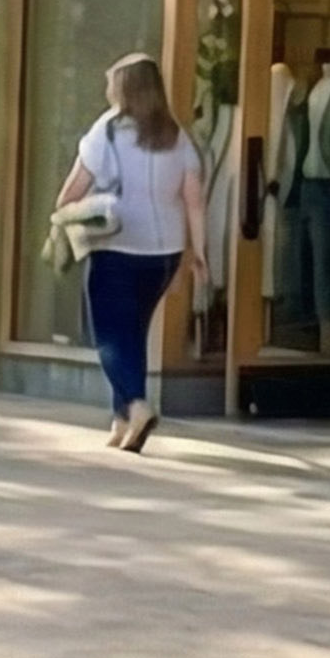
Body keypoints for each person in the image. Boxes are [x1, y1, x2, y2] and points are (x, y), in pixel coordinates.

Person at [57, 52, 208, 449]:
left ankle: (137, 406)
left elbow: (72, 191)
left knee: (108, 334)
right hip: (165, 254)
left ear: (122, 88)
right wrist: (199, 253)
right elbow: (194, 201)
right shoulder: (177, 136)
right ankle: (122, 420)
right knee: (133, 332)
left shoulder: (106, 131)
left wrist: (68, 214)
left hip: (116, 246)